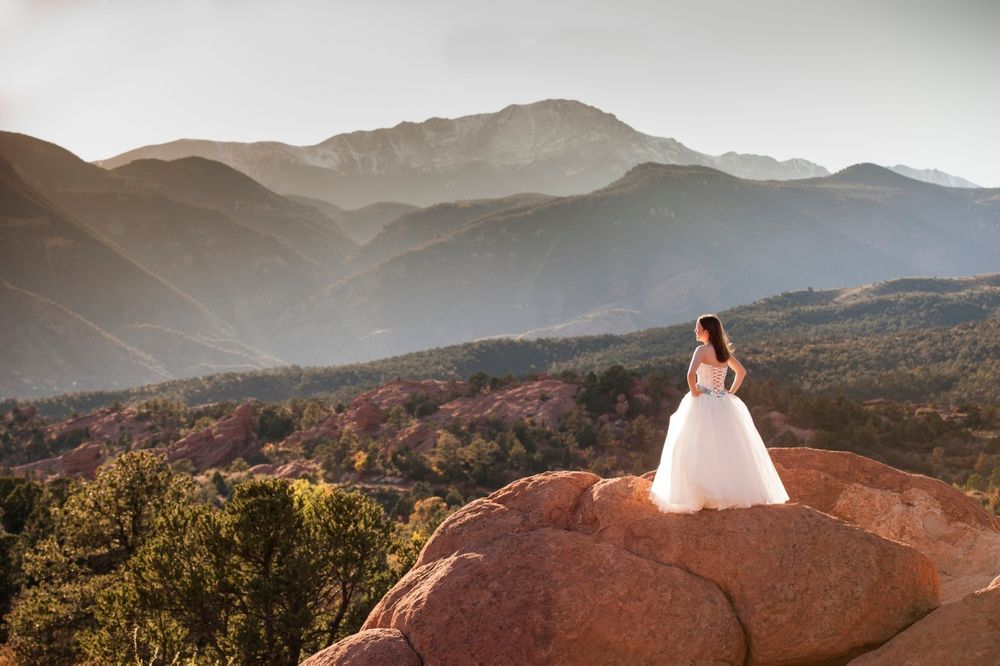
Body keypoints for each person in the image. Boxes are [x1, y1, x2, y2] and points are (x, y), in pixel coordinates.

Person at [648, 314, 789, 513]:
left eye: (697, 328)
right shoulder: (723, 352)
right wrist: (729, 392)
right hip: (722, 402)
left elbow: (690, 374)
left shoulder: (702, 350)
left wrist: (695, 391)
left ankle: (701, 493)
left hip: (702, 401)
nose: (695, 331)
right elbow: (741, 372)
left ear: (706, 331)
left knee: (695, 445)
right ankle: (728, 492)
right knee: (727, 446)